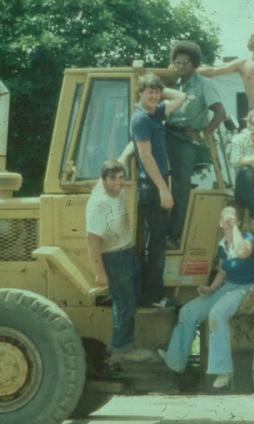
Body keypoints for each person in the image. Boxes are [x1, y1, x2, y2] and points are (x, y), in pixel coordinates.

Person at [160, 207, 254, 389]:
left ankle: (224, 371)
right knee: (188, 312)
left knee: (217, 314)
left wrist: (234, 230)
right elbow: (223, 270)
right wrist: (211, 288)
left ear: (238, 222)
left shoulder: (247, 238)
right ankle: (175, 361)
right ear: (220, 223)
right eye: (224, 218)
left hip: (246, 288)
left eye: (232, 218)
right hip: (227, 286)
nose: (228, 221)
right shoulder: (222, 245)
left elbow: (243, 252)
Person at [85, 161, 151, 362]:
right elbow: (92, 240)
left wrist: (132, 146)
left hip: (127, 251)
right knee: (124, 303)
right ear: (103, 180)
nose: (118, 182)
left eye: (122, 177)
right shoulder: (99, 204)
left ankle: (125, 345)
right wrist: (100, 272)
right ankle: (121, 349)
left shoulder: (118, 191)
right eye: (113, 178)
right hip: (114, 257)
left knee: (131, 300)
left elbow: (119, 160)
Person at [130, 73, 186, 306]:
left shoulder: (156, 112)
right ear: (140, 93)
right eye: (149, 92)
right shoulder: (141, 118)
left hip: (160, 181)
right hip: (152, 185)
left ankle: (153, 294)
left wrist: (160, 89)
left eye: (156, 92)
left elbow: (181, 97)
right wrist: (163, 189)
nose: (153, 96)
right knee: (155, 243)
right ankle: (153, 297)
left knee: (158, 240)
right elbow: (145, 156)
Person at [166, 40, 226, 249]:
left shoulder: (203, 84)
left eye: (186, 62)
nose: (181, 66)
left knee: (180, 189)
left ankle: (173, 236)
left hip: (184, 140)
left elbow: (220, 113)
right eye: (177, 62)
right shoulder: (170, 82)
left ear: (194, 64)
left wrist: (202, 134)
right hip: (164, 134)